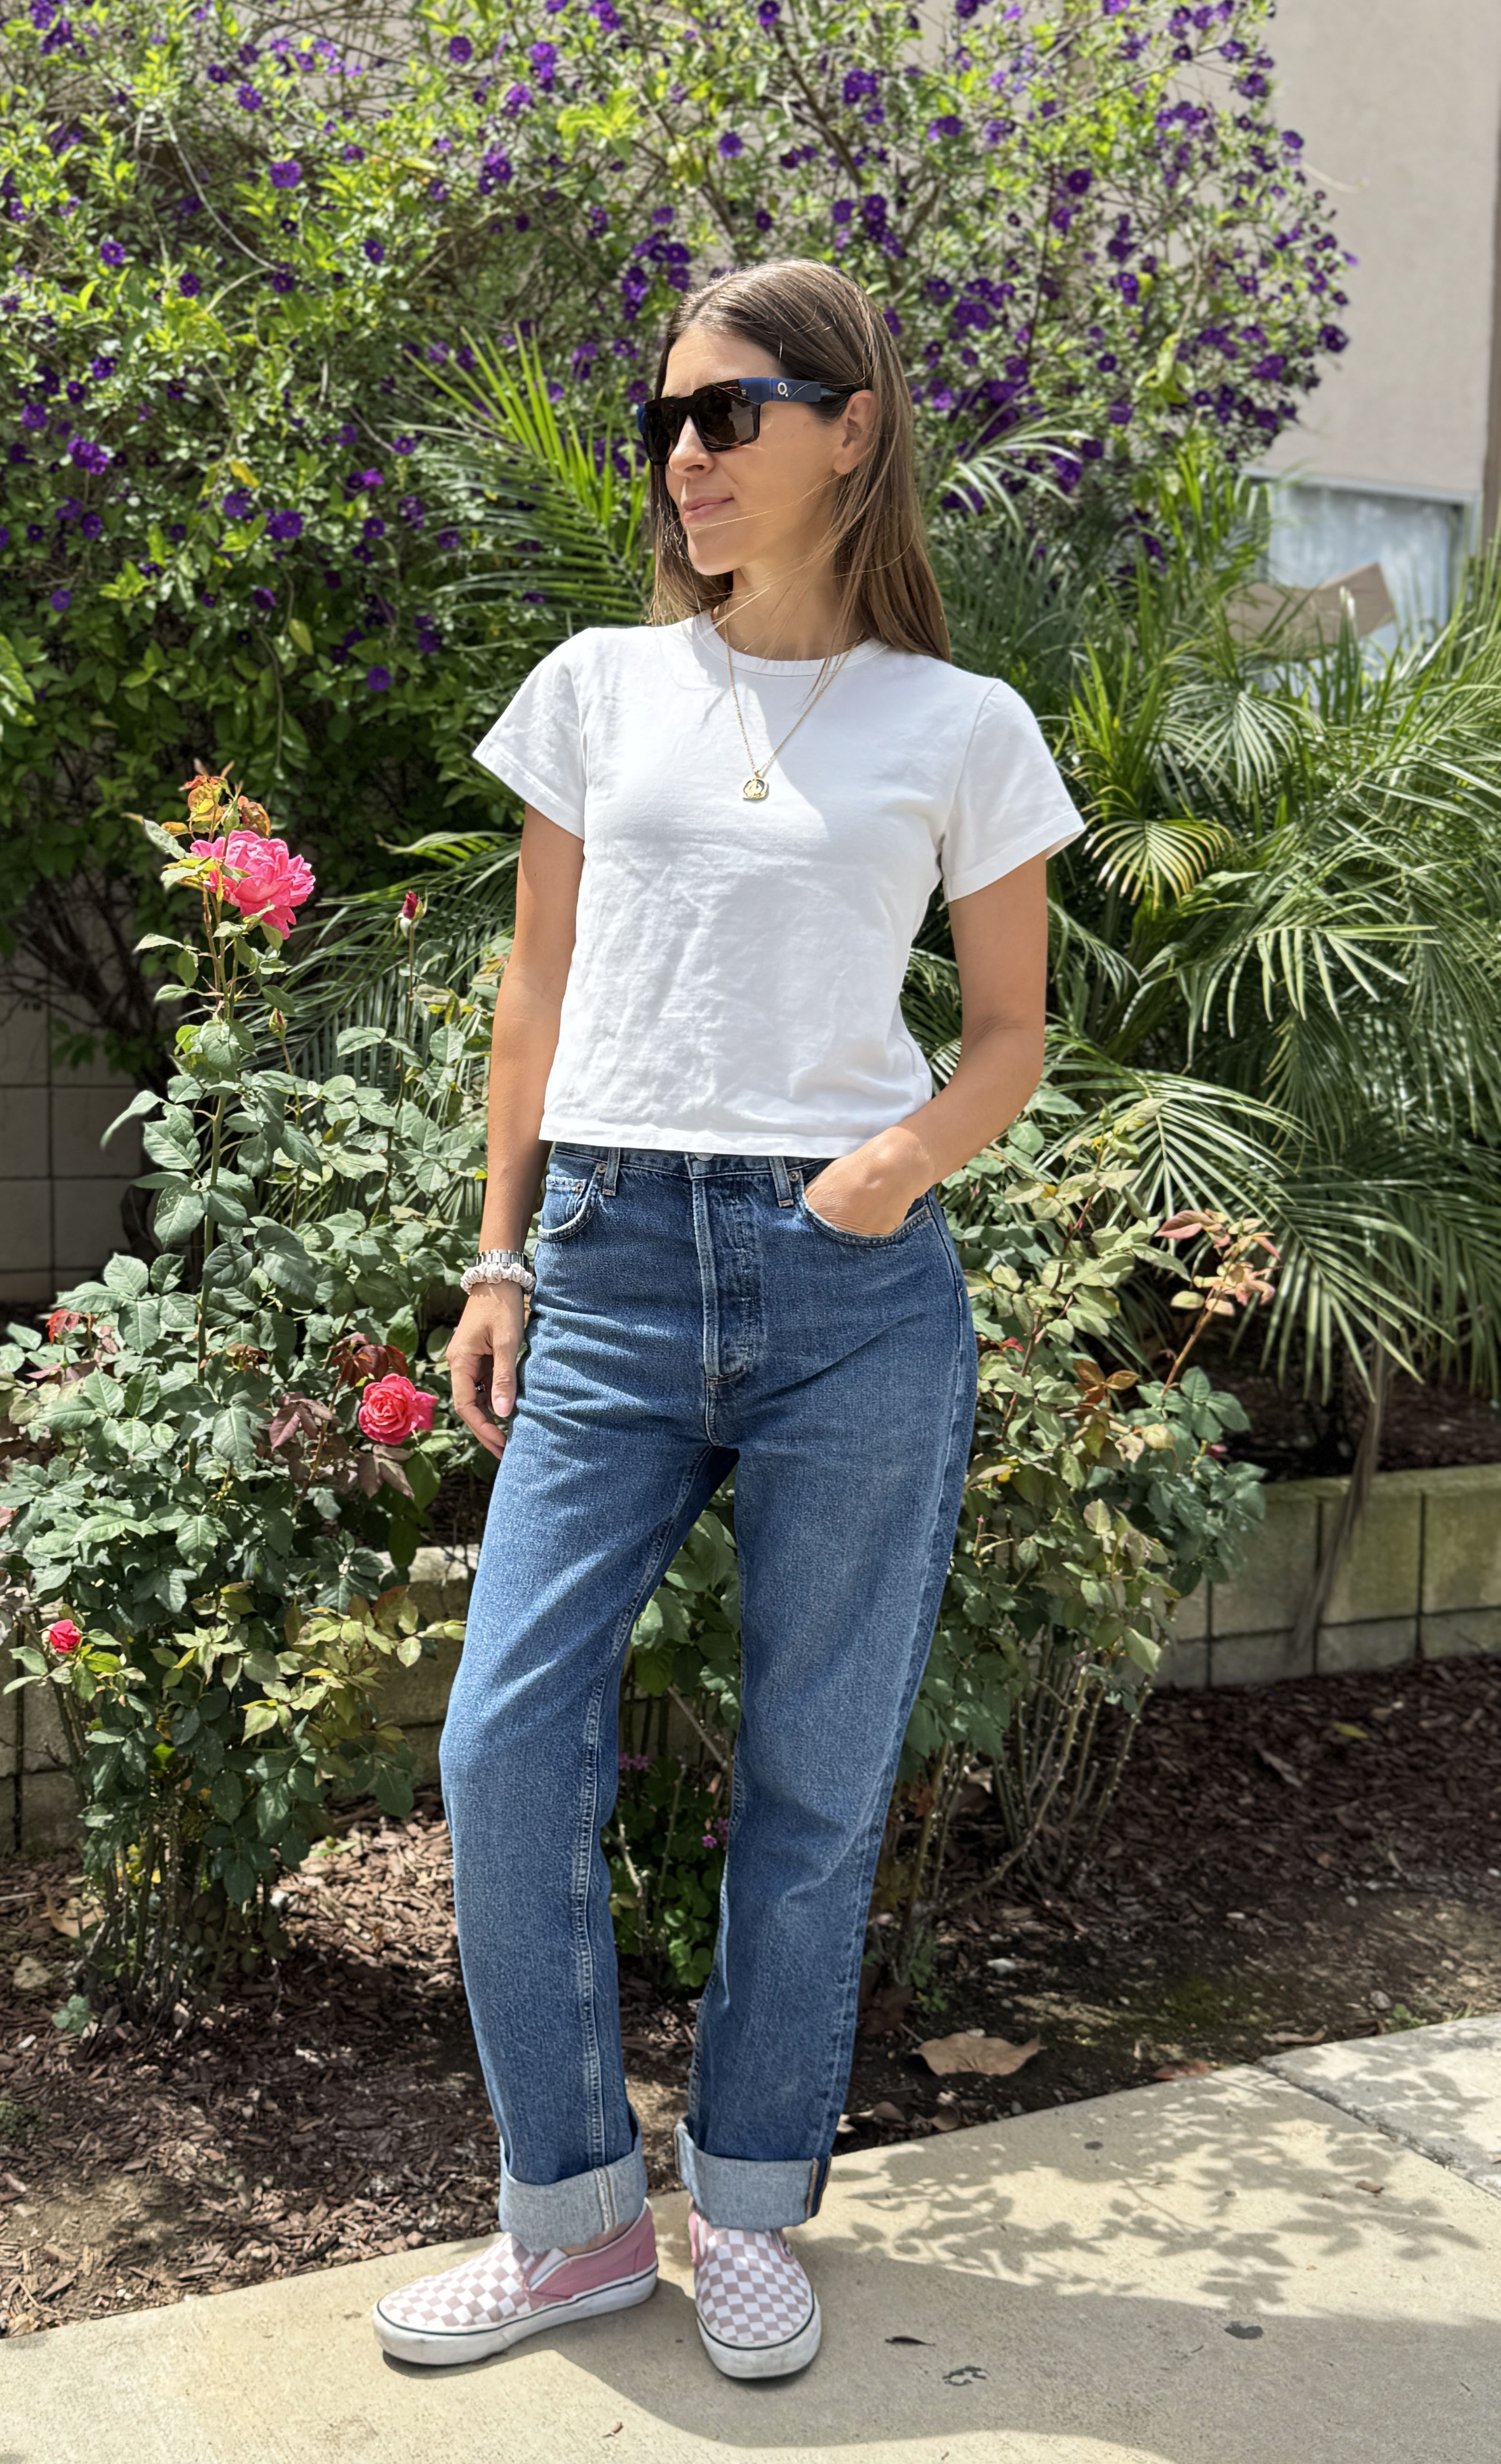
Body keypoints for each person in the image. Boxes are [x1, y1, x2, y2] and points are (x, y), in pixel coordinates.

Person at [373, 257, 1086, 2382]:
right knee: (501, 1742)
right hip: (599, 1260)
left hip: (845, 1285)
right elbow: (532, 998)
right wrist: (496, 1254)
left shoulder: (957, 726)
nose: (683, 456)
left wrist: (884, 1171)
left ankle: (754, 2197)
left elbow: (1008, 1036)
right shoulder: (598, 684)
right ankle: (577, 2221)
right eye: (665, 422)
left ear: (847, 425)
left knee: (811, 1773)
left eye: (729, 411)